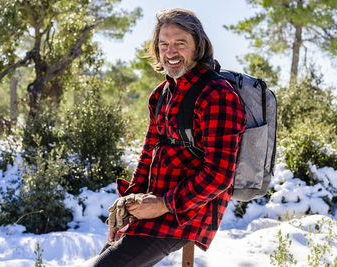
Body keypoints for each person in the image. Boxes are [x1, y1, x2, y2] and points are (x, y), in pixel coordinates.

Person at [93, 8, 246, 267]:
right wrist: (127, 207)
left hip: (189, 209)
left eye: (180, 43)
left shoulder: (217, 94)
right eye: (164, 44)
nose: (170, 52)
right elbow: (147, 155)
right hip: (154, 203)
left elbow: (219, 175)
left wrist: (164, 204)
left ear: (198, 46)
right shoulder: (160, 95)